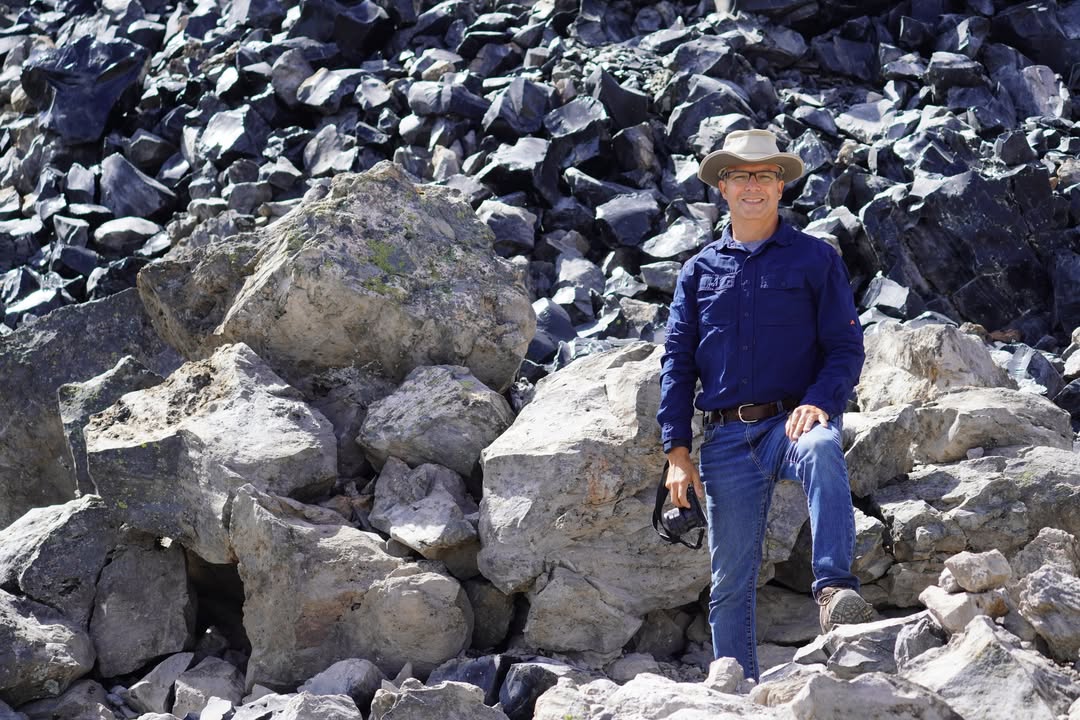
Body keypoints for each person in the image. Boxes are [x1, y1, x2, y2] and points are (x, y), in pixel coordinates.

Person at [657, 129, 873, 682]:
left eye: (764, 176)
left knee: (823, 446)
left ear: (780, 187)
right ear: (723, 188)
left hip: (790, 422)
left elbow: (846, 347)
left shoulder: (815, 260)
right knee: (729, 583)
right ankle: (738, 689)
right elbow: (678, 364)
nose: (753, 186)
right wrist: (677, 452)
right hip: (726, 441)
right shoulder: (698, 272)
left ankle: (833, 590)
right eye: (740, 176)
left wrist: (820, 403)